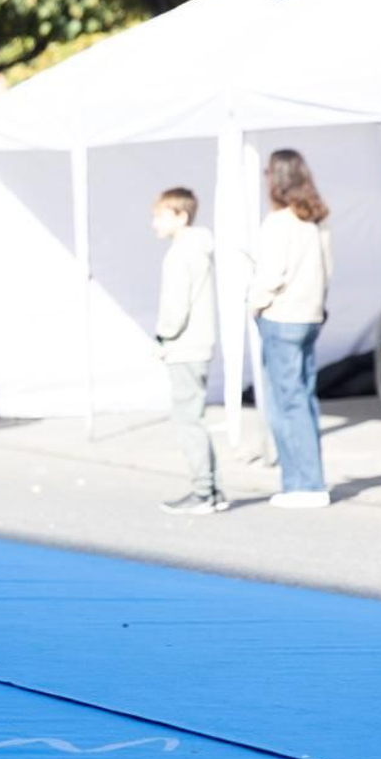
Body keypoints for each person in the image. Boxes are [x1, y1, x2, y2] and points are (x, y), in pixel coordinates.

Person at [249, 149, 333, 509]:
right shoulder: (316, 219)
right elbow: (327, 270)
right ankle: (307, 480)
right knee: (304, 398)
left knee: (286, 403)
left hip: (282, 316)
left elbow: (270, 274)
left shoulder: (279, 221)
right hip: (310, 314)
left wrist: (256, 304)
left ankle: (304, 484)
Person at [151, 187, 225, 515]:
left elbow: (174, 306)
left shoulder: (181, 253)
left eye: (160, 215)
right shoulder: (198, 248)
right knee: (193, 416)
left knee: (187, 419)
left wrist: (164, 337)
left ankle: (203, 491)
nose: (154, 222)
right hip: (198, 342)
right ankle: (212, 489)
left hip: (185, 345)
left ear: (181, 216)